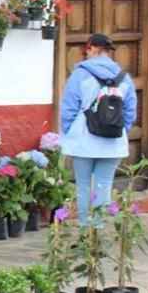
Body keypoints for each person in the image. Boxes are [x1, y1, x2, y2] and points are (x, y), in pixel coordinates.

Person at [59, 33, 137, 225]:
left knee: (84, 186)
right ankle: (99, 230)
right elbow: (130, 110)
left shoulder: (80, 74)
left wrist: (71, 131)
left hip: (83, 138)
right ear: (109, 52)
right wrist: (118, 130)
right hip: (113, 140)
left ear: (92, 49)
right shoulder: (124, 77)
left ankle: (87, 232)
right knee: (104, 185)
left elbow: (68, 108)